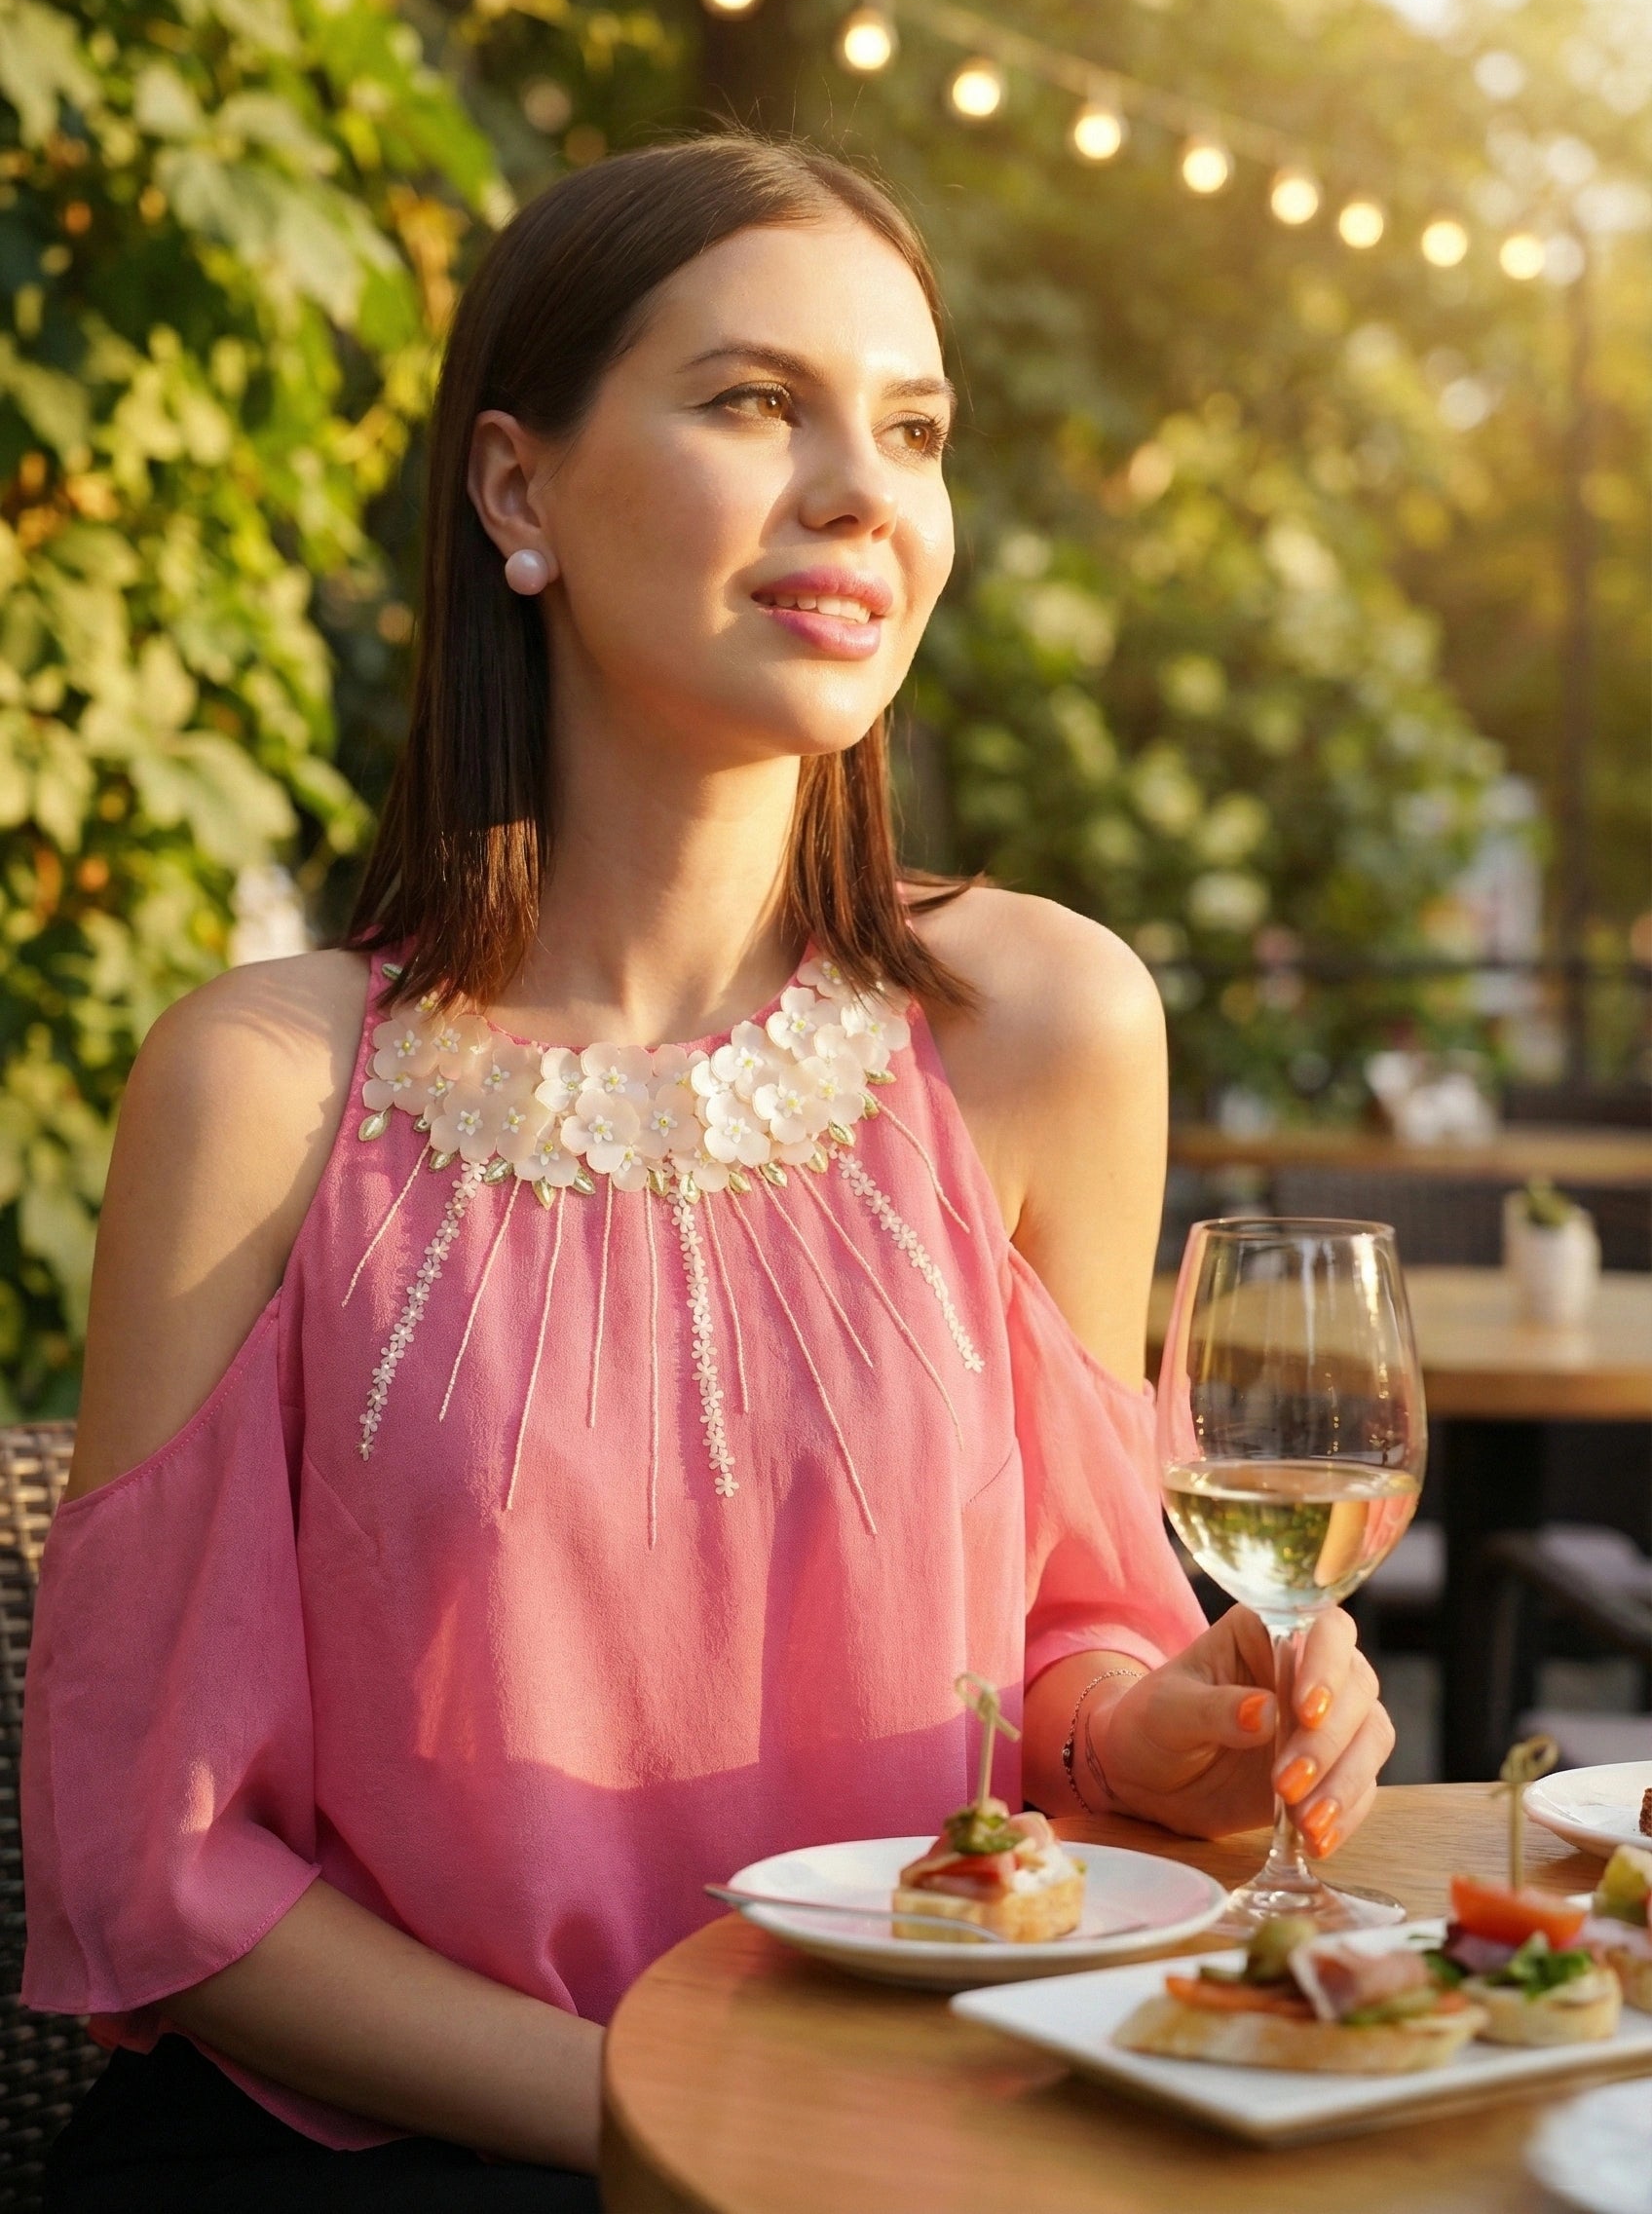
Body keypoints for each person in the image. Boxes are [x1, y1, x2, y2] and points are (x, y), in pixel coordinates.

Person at [22, 135, 1394, 2206]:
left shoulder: (1041, 1026)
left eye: (912, 429)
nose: (862, 487)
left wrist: (1159, 1730)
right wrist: (680, 2118)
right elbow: (157, 1859)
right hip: (398, 2163)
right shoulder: (264, 1087)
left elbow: (1063, 1653)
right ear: (517, 492)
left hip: (917, 2136)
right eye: (756, 403)